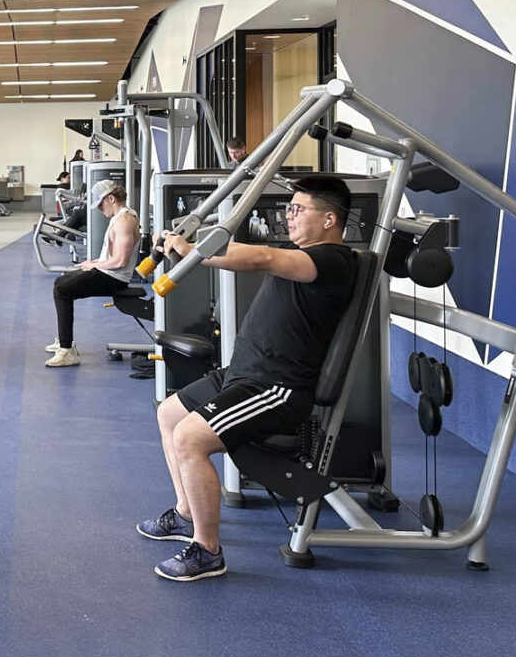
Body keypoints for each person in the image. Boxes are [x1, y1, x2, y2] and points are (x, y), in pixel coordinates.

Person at [141, 175, 359, 583]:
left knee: (189, 438)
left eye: (298, 209)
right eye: (288, 209)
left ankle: (207, 551)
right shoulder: (303, 254)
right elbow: (247, 253)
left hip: (276, 389)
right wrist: (191, 245)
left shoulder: (332, 260)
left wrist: (193, 251)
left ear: (330, 219)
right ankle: (187, 512)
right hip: (242, 374)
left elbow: (261, 259)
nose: (288, 217)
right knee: (169, 414)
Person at [44, 179, 140, 368]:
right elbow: (113, 255)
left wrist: (96, 266)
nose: (99, 210)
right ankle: (66, 342)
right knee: (60, 282)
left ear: (111, 198)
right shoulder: (119, 217)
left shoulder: (125, 221)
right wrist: (94, 262)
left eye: (101, 205)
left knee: (62, 290)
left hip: (114, 278)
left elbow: (120, 261)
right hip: (108, 272)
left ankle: (67, 351)